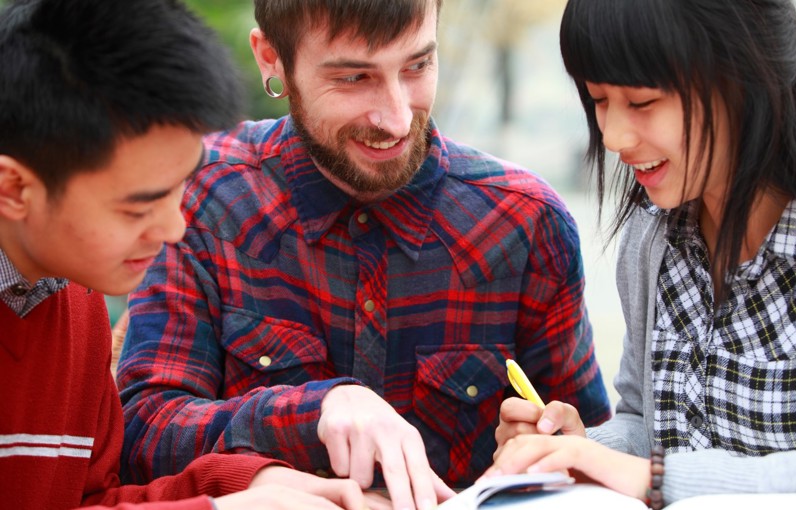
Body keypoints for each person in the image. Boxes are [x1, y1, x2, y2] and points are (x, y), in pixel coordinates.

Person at [116, 0, 612, 508]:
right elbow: (141, 435)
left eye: (417, 66)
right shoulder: (198, 197)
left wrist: (562, 448)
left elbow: (585, 451)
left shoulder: (526, 224)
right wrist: (312, 412)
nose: (396, 119)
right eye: (354, 78)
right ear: (273, 60)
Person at [0, 0, 380, 508]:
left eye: (182, 186)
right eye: (139, 207)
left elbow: (92, 500)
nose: (175, 228)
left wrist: (248, 484)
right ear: (14, 188)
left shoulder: (75, 299)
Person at [486, 0, 796, 506]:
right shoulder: (652, 240)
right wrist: (574, 449)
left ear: (745, 77)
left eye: (643, 103)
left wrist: (653, 477)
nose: (613, 137)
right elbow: (646, 422)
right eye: (600, 101)